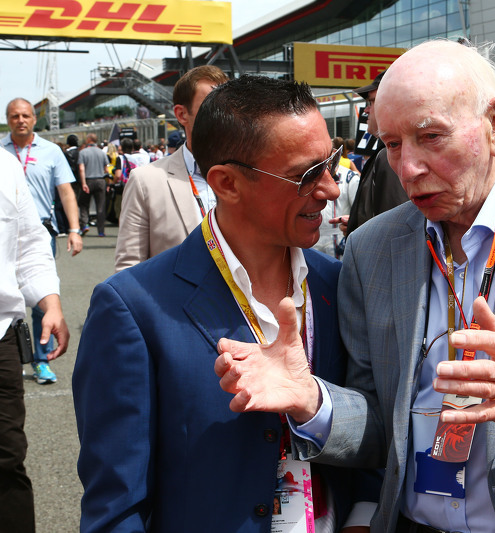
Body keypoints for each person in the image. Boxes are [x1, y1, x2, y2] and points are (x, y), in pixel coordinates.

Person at [215, 39, 495, 532]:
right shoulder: (372, 249)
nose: (407, 167)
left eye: (430, 136)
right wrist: (314, 401)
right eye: (391, 144)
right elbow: (379, 422)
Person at [73, 75, 377, 533]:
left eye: (331, 163)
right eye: (305, 174)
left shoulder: (340, 283)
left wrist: (362, 515)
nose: (332, 189)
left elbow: (380, 427)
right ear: (228, 184)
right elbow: (116, 507)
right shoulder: (133, 308)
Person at [0, 148, 69, 533]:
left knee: (7, 460)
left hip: (1, 338)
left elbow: (29, 244)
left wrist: (51, 302)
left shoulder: (5, 166)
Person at [115, 65, 228, 271]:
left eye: (227, 105)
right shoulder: (146, 181)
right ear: (182, 114)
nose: (222, 115)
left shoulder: (252, 175)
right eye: (210, 106)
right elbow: (129, 268)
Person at [2, 97, 82, 385]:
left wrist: (74, 229)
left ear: (35, 119)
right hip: (5, 235)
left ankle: (41, 359)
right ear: (8, 119)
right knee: (9, 298)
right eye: (14, 116)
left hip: (40, 233)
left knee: (41, 301)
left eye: (25, 115)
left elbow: (66, 192)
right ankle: (12, 353)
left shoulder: (51, 151)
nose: (20, 120)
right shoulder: (1, 151)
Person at [345, 71, 408, 237]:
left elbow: (396, 228)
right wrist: (356, 224)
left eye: (372, 102)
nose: (366, 110)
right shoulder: (384, 152)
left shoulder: (390, 156)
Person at [77, 133, 111, 237]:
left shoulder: (83, 152)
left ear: (88, 140)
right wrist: (108, 183)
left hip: (88, 180)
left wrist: (83, 183)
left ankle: (85, 224)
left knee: (83, 204)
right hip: (100, 180)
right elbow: (107, 169)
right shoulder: (102, 153)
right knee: (100, 206)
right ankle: (101, 231)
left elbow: (81, 169)